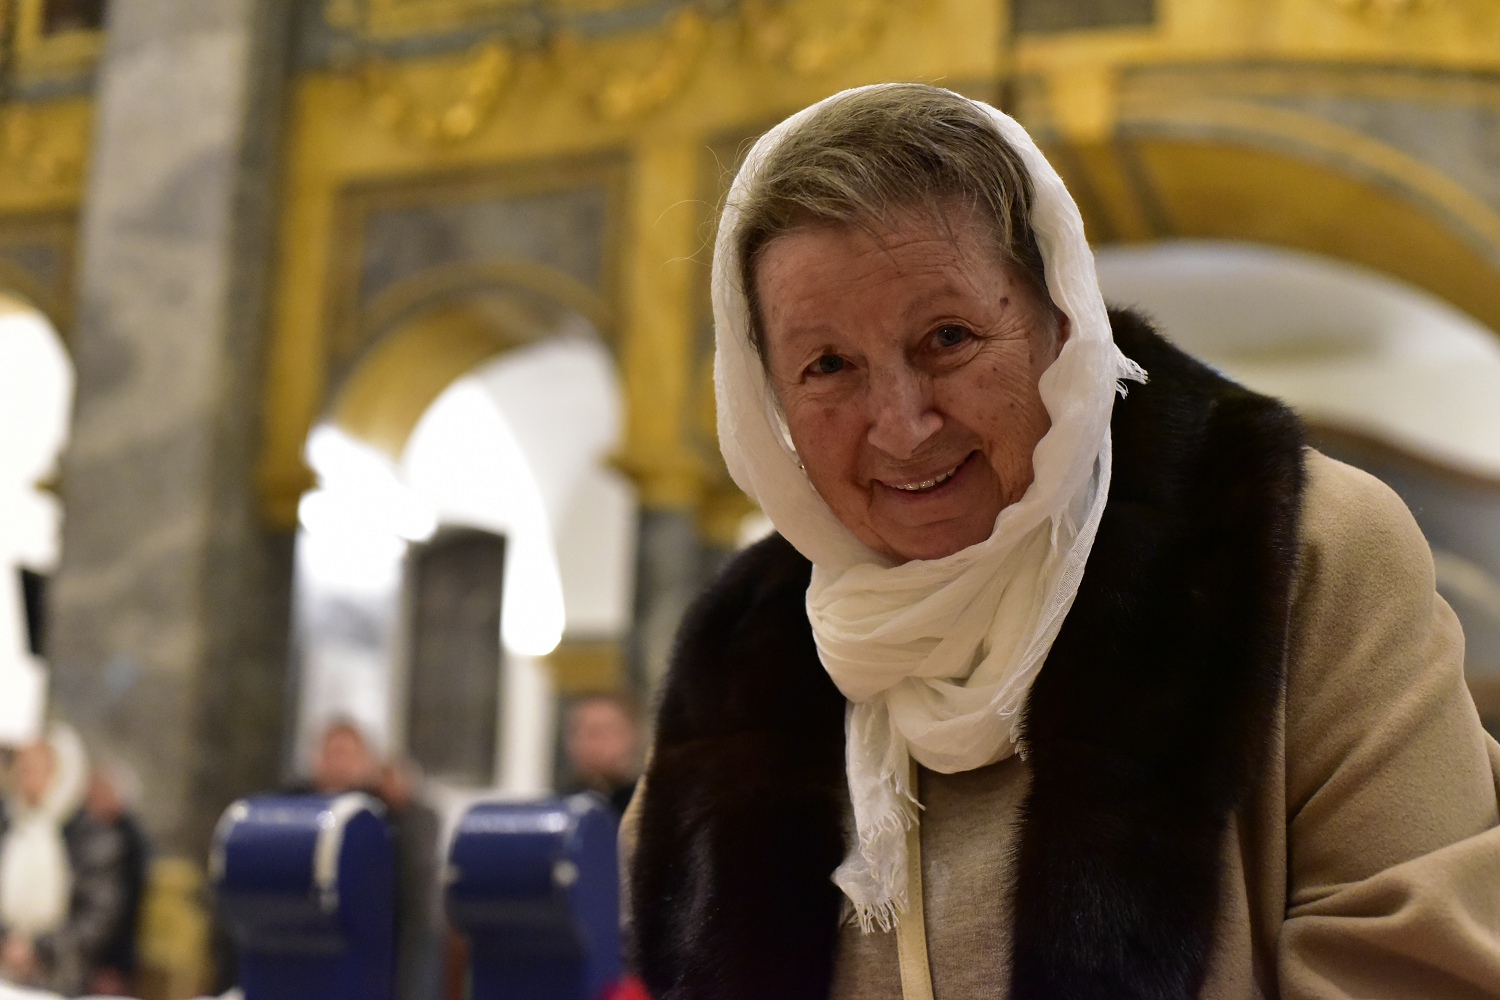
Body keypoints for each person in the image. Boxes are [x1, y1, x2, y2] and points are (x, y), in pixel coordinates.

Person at [624, 84, 1500, 998]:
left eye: (949, 337)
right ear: (766, 400)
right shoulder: (737, 670)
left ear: (1062, 323)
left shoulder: (1295, 554)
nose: (903, 425)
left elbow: (1418, 969)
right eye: (829, 366)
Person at [563, 694, 641, 816]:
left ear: (632, 736)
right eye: (581, 732)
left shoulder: (646, 806)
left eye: (603, 730)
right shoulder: (560, 809)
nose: (590, 743)